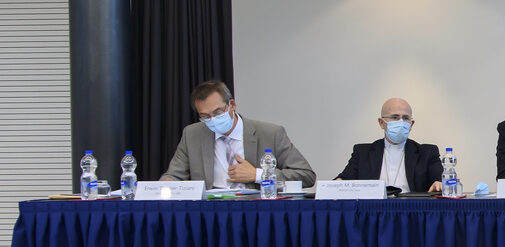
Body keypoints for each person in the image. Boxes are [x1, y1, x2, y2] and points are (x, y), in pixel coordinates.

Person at [161, 80, 315, 188]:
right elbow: (174, 176)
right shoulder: (192, 135)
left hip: (254, 211)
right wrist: (167, 183)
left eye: (218, 112)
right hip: (209, 213)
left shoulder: (271, 133)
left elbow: (306, 176)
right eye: (206, 116)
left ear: (232, 105)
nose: (213, 120)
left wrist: (257, 175)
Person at [334, 97, 444, 192]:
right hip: (373, 213)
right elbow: (343, 180)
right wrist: (338, 184)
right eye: (395, 117)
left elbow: (439, 180)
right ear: (381, 123)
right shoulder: (362, 153)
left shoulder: (428, 152)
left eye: (405, 118)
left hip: (412, 211)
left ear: (411, 124)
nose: (401, 122)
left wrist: (439, 183)